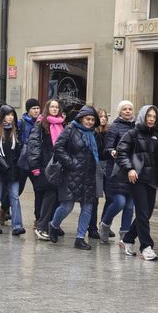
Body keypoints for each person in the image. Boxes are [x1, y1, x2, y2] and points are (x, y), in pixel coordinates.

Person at [116, 105, 158, 260]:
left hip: (151, 179)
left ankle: (128, 239)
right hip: (136, 179)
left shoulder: (156, 137)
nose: (152, 119)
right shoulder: (131, 134)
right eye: (149, 116)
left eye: (154, 117)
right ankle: (146, 247)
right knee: (142, 212)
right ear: (143, 116)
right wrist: (129, 169)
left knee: (146, 214)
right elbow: (121, 153)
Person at [48, 105, 100, 250]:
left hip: (89, 175)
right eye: (87, 119)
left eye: (92, 120)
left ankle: (80, 238)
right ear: (81, 118)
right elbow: (58, 146)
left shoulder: (93, 134)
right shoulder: (71, 128)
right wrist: (70, 162)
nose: (90, 122)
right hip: (72, 174)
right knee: (67, 206)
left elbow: (98, 152)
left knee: (88, 207)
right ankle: (53, 225)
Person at [99, 100, 135, 242]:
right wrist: (112, 151)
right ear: (120, 111)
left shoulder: (136, 127)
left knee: (130, 205)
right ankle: (105, 224)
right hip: (116, 170)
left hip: (132, 169)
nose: (127, 111)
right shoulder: (114, 127)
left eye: (130, 109)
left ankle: (125, 235)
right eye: (125, 109)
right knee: (119, 202)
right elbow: (107, 148)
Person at [28, 99, 64, 241]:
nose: (55, 109)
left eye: (57, 107)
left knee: (55, 196)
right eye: (52, 107)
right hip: (44, 165)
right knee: (50, 195)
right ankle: (42, 226)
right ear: (47, 108)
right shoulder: (41, 124)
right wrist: (35, 166)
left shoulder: (61, 124)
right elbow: (34, 145)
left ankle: (48, 224)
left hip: (57, 166)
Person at [0, 104, 24, 235]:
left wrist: (15, 165)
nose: (11, 117)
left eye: (12, 114)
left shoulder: (15, 132)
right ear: (2, 116)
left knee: (15, 197)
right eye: (8, 114)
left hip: (13, 170)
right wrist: (3, 165)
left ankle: (17, 225)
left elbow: (19, 150)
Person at [87, 108, 109, 239]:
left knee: (110, 197)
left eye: (105, 116)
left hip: (107, 166)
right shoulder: (93, 133)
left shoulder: (109, 132)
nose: (103, 118)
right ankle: (92, 228)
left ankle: (104, 224)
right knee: (94, 200)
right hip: (97, 166)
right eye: (101, 116)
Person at [18, 98, 41, 198]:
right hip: (23, 161)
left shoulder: (41, 123)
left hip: (35, 162)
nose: (36, 110)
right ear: (28, 110)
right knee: (19, 188)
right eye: (33, 108)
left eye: (38, 108)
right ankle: (4, 207)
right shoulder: (21, 123)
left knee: (38, 189)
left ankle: (38, 213)